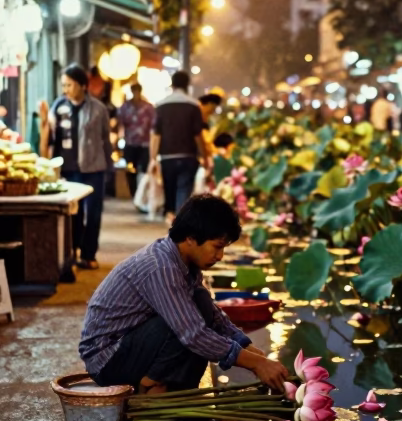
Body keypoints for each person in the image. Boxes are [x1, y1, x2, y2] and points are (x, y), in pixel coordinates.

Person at [79, 193, 288, 393]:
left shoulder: (184, 260)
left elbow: (214, 317)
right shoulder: (161, 267)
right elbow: (193, 334)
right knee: (191, 327)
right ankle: (151, 385)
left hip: (133, 343)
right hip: (107, 359)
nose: (220, 256)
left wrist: (254, 352)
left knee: (201, 301)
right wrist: (255, 365)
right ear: (190, 238)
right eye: (217, 247)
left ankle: (159, 382)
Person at [39, 63, 112, 270]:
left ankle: (89, 255)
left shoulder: (98, 109)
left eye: (69, 85)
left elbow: (105, 140)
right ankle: (72, 253)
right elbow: (49, 136)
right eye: (63, 85)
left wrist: (109, 167)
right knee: (74, 214)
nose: (65, 89)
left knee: (94, 213)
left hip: (94, 169)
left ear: (82, 85)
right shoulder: (58, 106)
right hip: (68, 169)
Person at [150, 71, 210, 222]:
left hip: (167, 156)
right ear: (187, 85)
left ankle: (171, 216)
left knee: (169, 190)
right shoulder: (193, 106)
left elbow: (156, 135)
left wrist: (152, 158)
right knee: (184, 189)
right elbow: (198, 135)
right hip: (188, 155)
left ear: (172, 84)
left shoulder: (161, 105)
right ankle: (180, 220)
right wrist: (205, 155)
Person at [116, 82, 155, 197]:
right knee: (130, 169)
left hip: (144, 143)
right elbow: (120, 123)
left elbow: (153, 126)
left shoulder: (148, 107)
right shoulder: (125, 107)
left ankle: (141, 194)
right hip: (130, 142)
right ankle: (134, 193)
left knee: (143, 169)